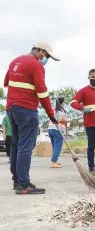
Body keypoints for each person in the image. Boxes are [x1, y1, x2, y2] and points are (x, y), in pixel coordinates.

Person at [4, 41, 60, 195]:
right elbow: (42, 92)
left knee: (16, 144)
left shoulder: (15, 61)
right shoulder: (36, 65)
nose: (46, 59)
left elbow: (6, 82)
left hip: (11, 108)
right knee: (25, 146)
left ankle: (17, 179)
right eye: (46, 55)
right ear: (39, 51)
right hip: (26, 109)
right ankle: (24, 184)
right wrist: (50, 114)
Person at [48, 97, 70, 168]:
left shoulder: (54, 109)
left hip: (50, 128)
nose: (64, 104)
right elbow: (60, 120)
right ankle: (53, 162)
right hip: (57, 129)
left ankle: (55, 160)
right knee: (58, 146)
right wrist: (68, 120)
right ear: (62, 102)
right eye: (64, 102)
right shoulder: (60, 110)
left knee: (54, 146)